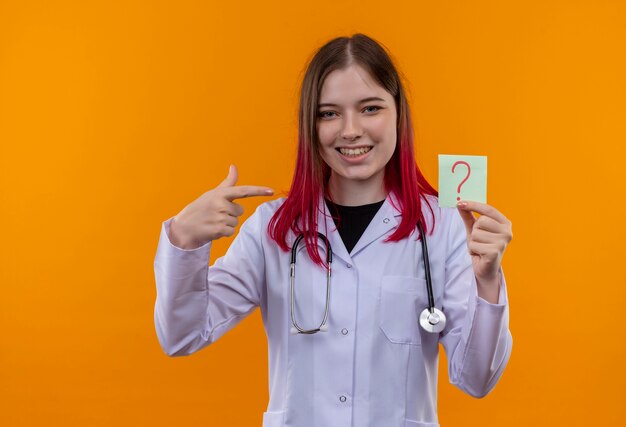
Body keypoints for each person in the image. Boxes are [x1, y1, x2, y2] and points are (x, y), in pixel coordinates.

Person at [154, 33, 513, 427]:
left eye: (370, 108)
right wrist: (184, 242)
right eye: (329, 113)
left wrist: (487, 280)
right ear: (310, 124)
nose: (350, 130)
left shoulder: (442, 227)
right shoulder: (273, 229)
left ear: (398, 114)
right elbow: (181, 337)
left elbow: (476, 379)